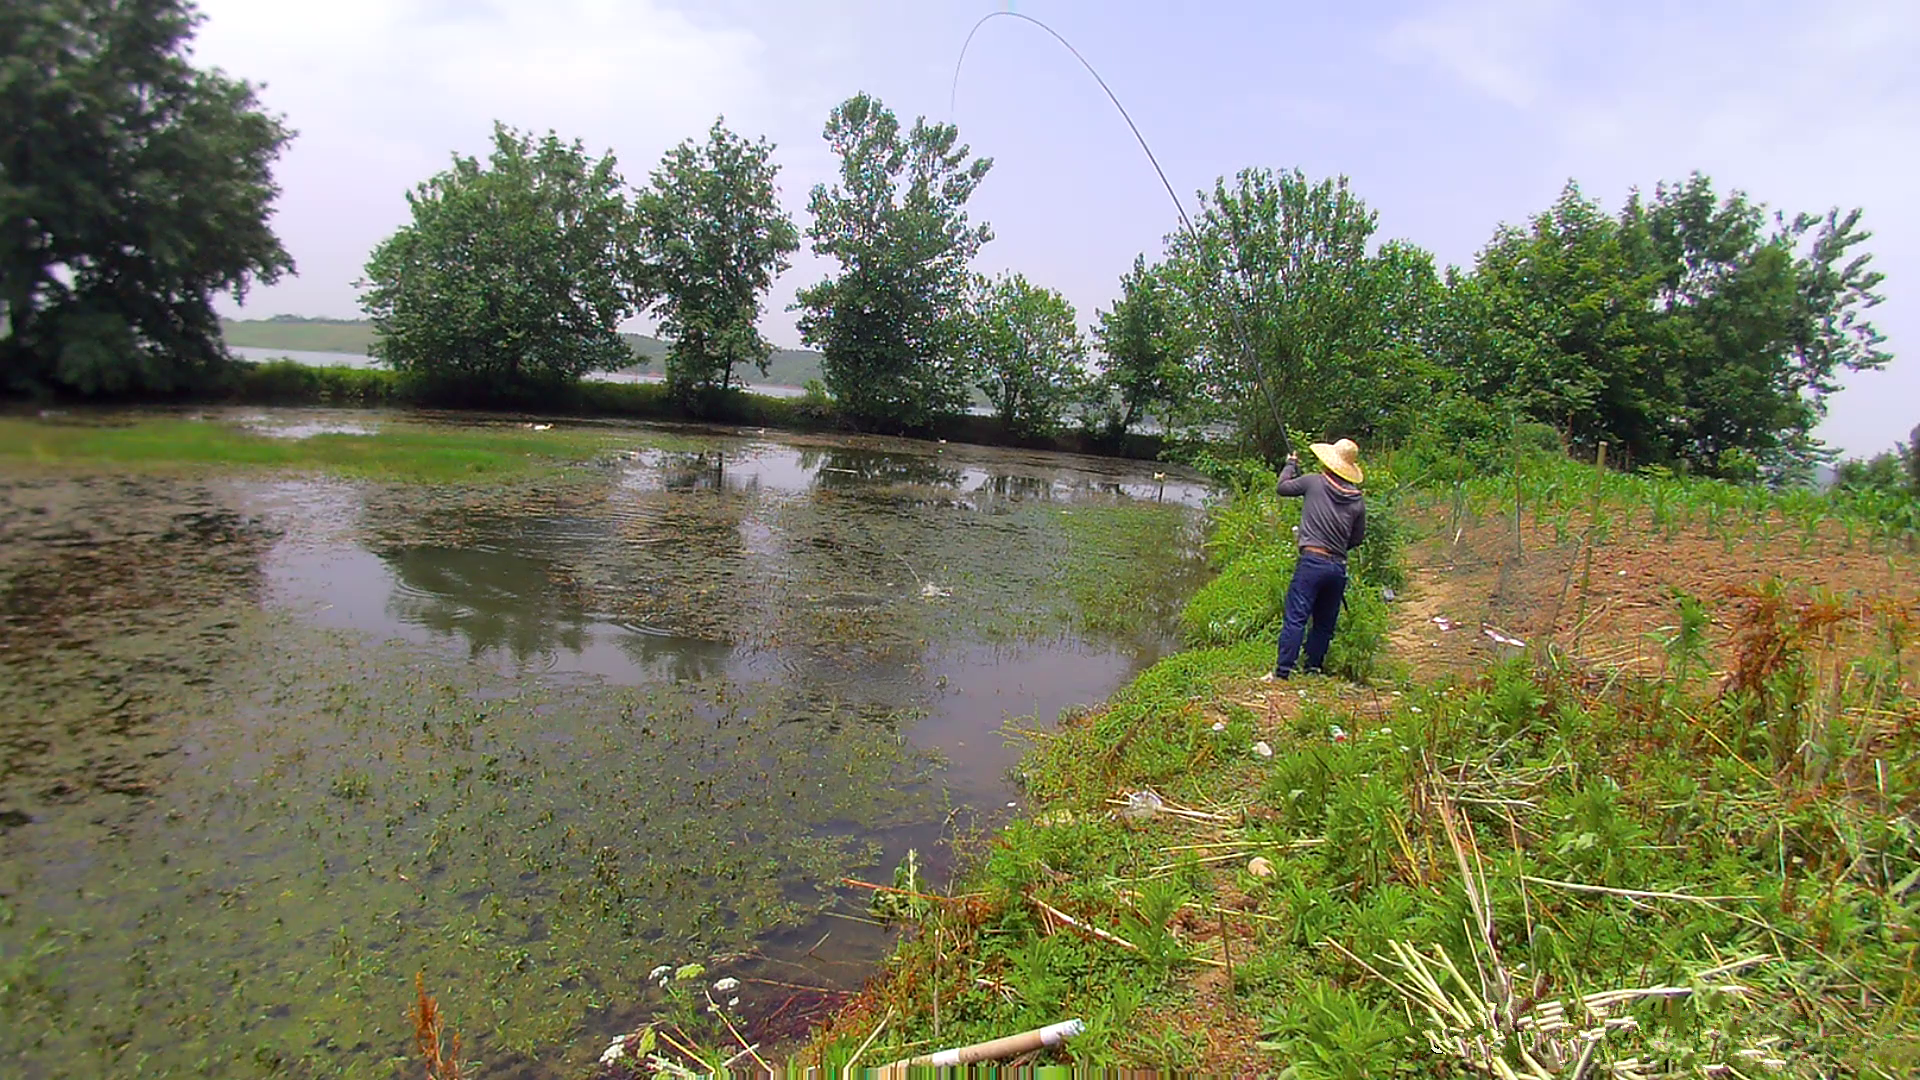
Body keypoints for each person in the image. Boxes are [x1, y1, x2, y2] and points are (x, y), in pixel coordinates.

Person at [1262, 438, 1366, 681]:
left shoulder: (1313, 482)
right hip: (1337, 567)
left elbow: (1283, 487)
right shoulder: (1357, 499)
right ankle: (1312, 669)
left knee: (1296, 616)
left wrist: (1290, 465)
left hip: (1311, 561)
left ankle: (1283, 671)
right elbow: (1357, 538)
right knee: (1324, 623)